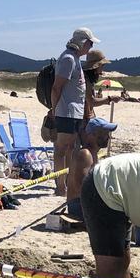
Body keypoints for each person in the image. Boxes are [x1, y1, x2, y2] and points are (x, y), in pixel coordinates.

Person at [51, 28, 97, 196]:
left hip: (74, 111)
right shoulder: (68, 58)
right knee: (62, 148)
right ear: (82, 42)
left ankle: (70, 184)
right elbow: (57, 87)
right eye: (90, 43)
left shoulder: (75, 59)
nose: (90, 47)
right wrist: (54, 110)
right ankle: (61, 186)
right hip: (66, 111)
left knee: (71, 148)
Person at [65, 117, 117, 220]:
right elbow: (82, 187)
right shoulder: (85, 154)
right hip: (78, 206)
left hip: (82, 204)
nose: (108, 137)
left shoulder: (92, 154)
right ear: (92, 135)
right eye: (104, 133)